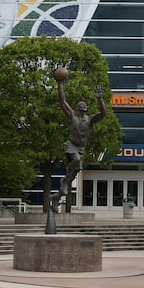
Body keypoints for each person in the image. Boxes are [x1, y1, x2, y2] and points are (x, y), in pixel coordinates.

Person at [51, 78, 107, 212]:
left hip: (81, 148)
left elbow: (103, 113)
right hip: (71, 144)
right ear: (77, 108)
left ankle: (57, 197)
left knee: (73, 174)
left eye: (84, 107)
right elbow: (62, 102)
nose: (82, 108)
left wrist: (100, 100)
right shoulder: (72, 116)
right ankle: (64, 180)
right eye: (80, 106)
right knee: (75, 160)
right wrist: (60, 85)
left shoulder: (90, 120)